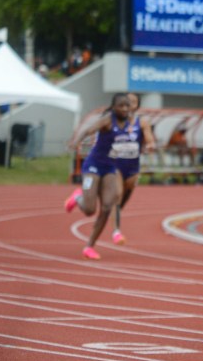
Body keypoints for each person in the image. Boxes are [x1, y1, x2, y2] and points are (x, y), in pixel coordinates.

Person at [64, 94, 135, 260]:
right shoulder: (108, 120)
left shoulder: (130, 122)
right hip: (93, 166)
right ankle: (78, 197)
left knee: (107, 206)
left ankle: (89, 246)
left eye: (127, 106)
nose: (124, 109)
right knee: (89, 210)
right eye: (121, 106)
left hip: (110, 167)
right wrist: (77, 141)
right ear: (113, 107)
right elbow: (89, 129)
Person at [112, 92, 157, 243]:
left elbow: (149, 137)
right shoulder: (115, 121)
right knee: (117, 195)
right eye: (127, 101)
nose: (130, 104)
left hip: (132, 167)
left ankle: (114, 212)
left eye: (133, 101)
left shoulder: (142, 122)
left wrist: (150, 145)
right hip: (116, 164)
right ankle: (116, 231)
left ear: (137, 105)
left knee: (124, 199)